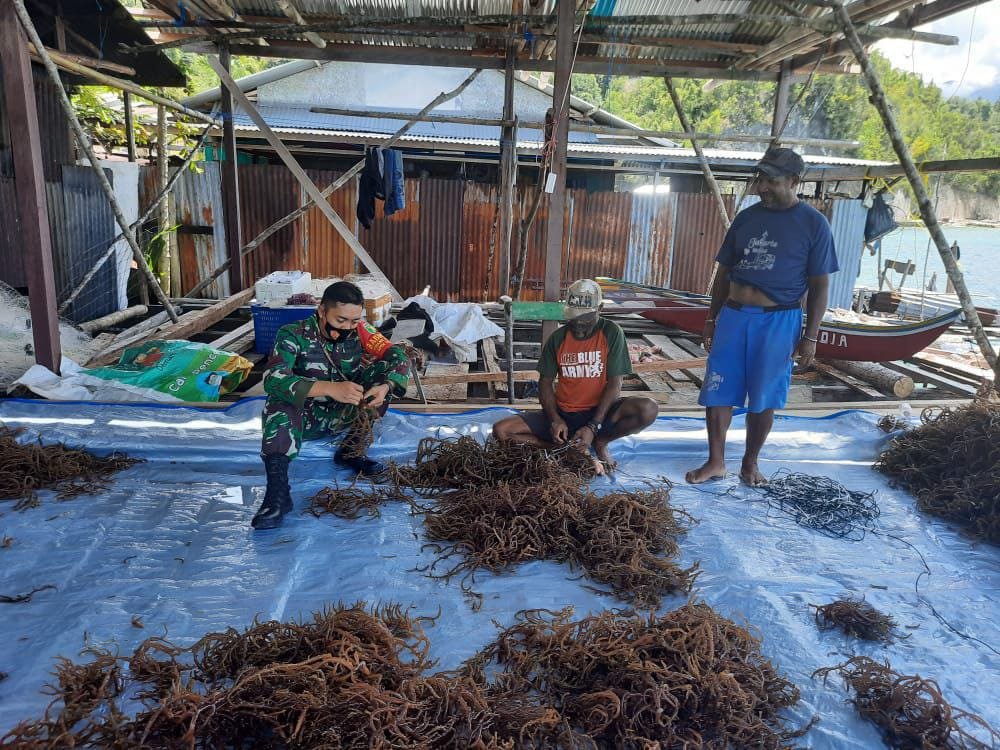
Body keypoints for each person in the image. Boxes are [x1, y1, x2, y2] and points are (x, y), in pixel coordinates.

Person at [685, 147, 838, 487]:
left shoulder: (814, 224)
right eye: (761, 180)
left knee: (764, 395)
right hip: (734, 316)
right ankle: (716, 462)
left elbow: (820, 285)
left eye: (772, 181)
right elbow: (724, 272)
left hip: (779, 321)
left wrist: (811, 336)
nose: (762, 188)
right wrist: (711, 319)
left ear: (794, 181)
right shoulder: (747, 217)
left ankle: (749, 464)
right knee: (717, 390)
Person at [252, 281, 411, 530]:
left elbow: (398, 356)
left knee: (382, 376)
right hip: (305, 417)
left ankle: (351, 451)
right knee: (279, 404)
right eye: (340, 320)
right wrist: (329, 388)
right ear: (321, 311)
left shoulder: (362, 330)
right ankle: (278, 495)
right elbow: (273, 379)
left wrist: (387, 386)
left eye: (354, 320)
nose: (348, 327)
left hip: (345, 411)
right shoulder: (292, 333)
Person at [492, 279, 657, 474]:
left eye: (585, 318)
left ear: (600, 309)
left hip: (601, 412)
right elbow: (544, 383)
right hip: (564, 414)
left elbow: (615, 384)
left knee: (648, 408)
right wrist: (554, 419)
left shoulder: (611, 333)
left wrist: (593, 426)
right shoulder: (558, 338)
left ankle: (600, 443)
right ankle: (563, 450)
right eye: (574, 318)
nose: (578, 324)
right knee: (501, 430)